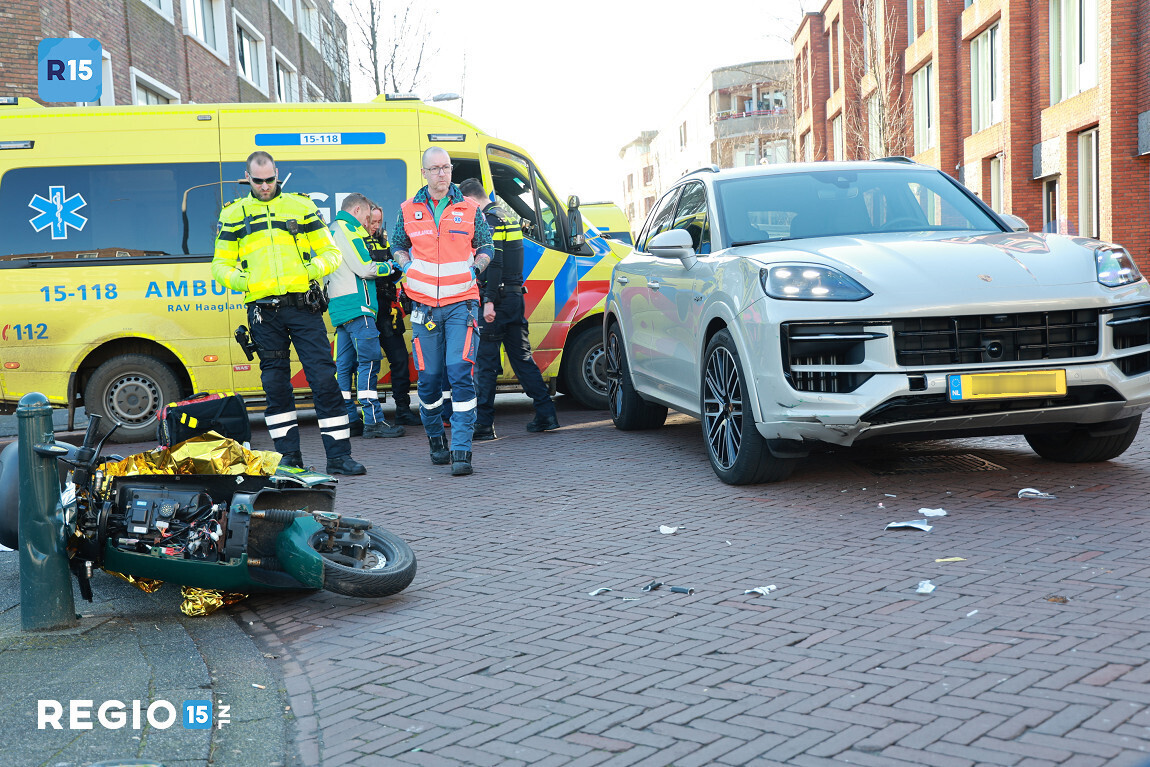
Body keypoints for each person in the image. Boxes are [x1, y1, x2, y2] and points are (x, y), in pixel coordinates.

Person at [212, 151, 365, 475]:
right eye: (258, 181)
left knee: (324, 378)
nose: (265, 186)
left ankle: (339, 456)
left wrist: (311, 269)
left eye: (270, 180)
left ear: (276, 174)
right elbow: (220, 264)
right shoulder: (234, 214)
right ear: (248, 178)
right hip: (263, 313)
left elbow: (331, 253)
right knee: (276, 386)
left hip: (302, 305)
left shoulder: (301, 206)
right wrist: (245, 280)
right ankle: (289, 460)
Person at [390, 148, 493, 476]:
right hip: (423, 308)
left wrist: (477, 269)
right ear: (424, 173)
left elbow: (487, 245)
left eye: (445, 167)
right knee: (430, 380)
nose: (441, 174)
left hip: (462, 304)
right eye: (434, 169)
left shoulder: (469, 208)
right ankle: (436, 437)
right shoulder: (408, 209)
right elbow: (397, 245)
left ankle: (462, 447)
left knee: (460, 372)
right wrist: (406, 268)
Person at [459, 178, 559, 439]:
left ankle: (483, 424)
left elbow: (494, 261)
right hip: (514, 297)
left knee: (486, 364)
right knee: (522, 358)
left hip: (498, 300)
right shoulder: (507, 216)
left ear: (470, 200)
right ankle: (546, 413)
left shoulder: (489, 221)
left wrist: (489, 299)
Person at [327, 193, 405, 439]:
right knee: (369, 363)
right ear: (358, 209)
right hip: (359, 308)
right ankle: (373, 421)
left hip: (341, 309)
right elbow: (366, 267)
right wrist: (391, 267)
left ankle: (349, 418)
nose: (368, 222)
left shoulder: (332, 229)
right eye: (368, 216)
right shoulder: (349, 230)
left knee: (344, 368)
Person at [367, 206, 420, 427]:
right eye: (372, 222)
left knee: (399, 360)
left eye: (379, 222)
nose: (376, 227)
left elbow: (397, 268)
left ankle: (403, 409)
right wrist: (387, 268)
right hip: (367, 312)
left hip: (388, 310)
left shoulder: (384, 242)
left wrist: (394, 268)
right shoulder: (355, 241)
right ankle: (366, 415)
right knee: (365, 365)